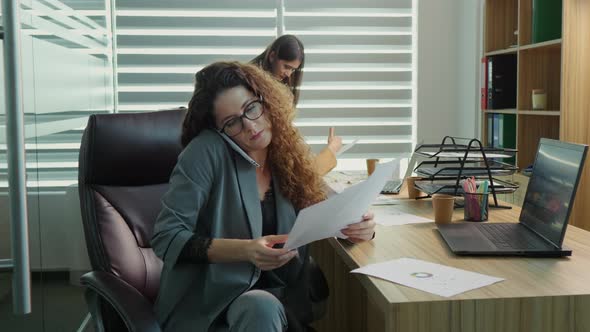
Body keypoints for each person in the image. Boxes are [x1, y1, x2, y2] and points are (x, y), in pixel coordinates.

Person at [151, 62, 376, 332]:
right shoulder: (204, 152)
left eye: (251, 108)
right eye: (232, 122)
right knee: (260, 306)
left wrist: (358, 227)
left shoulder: (284, 148)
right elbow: (167, 237)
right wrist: (246, 251)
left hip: (283, 297)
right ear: (219, 129)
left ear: (266, 101)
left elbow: (317, 209)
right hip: (211, 303)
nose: (250, 125)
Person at [251, 34, 342, 175]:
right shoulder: (257, 94)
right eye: (286, 66)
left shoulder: (275, 90)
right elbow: (306, 174)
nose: (289, 74)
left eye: (293, 69)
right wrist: (331, 151)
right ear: (272, 56)